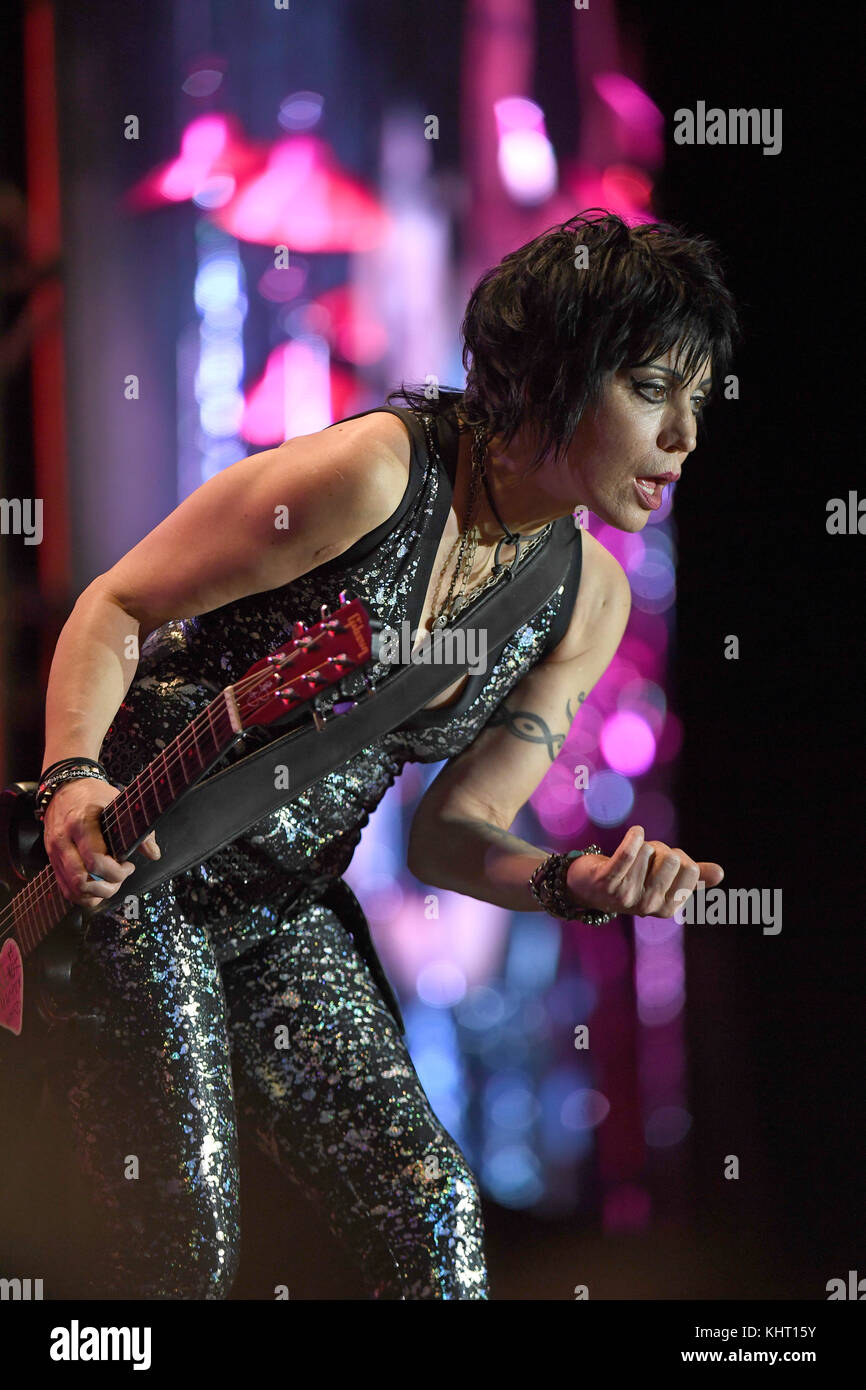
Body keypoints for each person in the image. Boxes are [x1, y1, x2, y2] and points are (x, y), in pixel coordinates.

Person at [36, 209, 738, 1299]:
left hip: (283, 911)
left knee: (435, 1216)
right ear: (556, 372)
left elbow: (447, 838)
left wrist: (571, 881)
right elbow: (117, 605)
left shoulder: (582, 600)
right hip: (137, 873)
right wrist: (74, 776)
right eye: (651, 390)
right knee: (179, 1234)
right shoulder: (373, 474)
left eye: (696, 399)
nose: (685, 435)